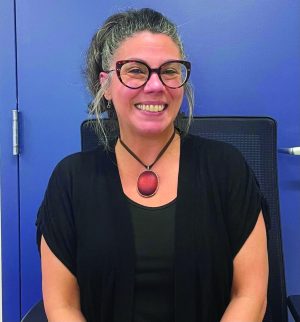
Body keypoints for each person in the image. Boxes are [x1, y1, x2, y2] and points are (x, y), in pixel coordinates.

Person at [36, 8, 269, 322]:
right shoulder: (70, 180)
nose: (156, 86)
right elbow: (62, 306)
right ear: (105, 85)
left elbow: (250, 295)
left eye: (170, 71)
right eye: (135, 70)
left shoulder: (227, 168)